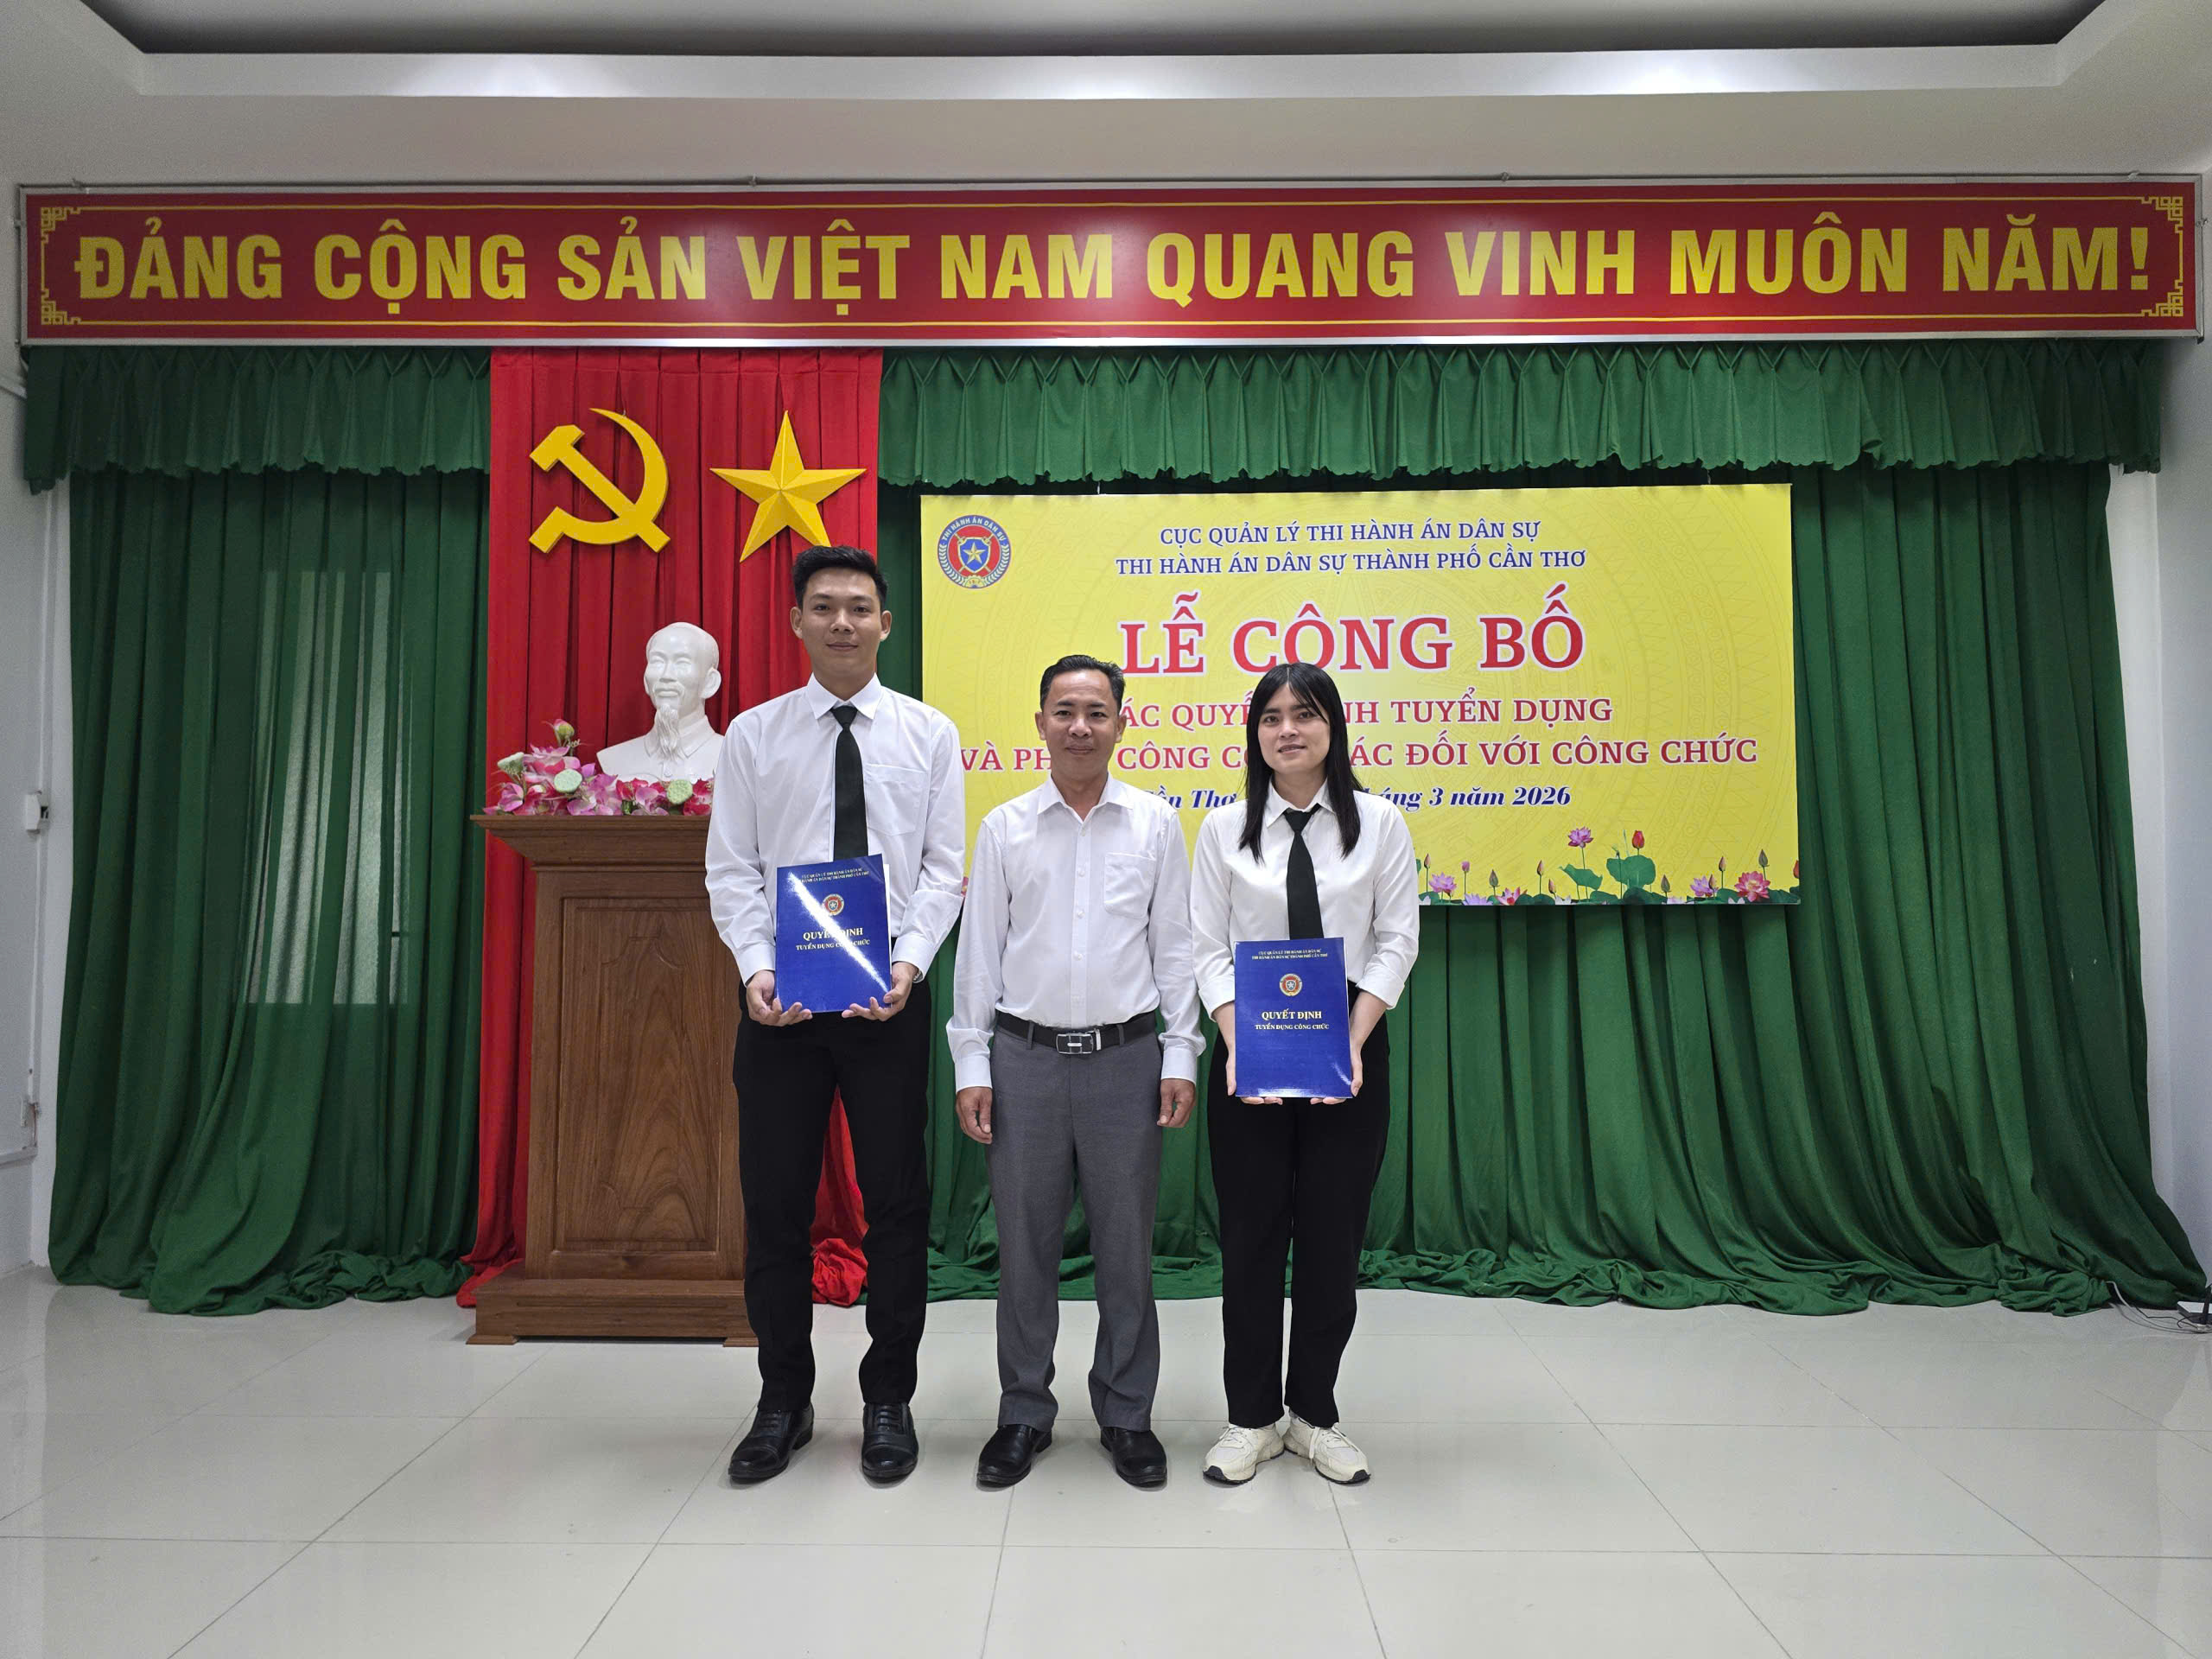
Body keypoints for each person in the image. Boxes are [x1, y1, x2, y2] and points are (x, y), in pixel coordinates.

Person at [705, 544, 965, 1486]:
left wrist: (908, 964)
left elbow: (942, 870)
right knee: (775, 1205)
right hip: (782, 1007)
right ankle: (783, 1400)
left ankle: (889, 1397)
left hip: (885, 1000)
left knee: (896, 1204)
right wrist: (756, 970)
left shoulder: (928, 734)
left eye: (860, 607)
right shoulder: (754, 735)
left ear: (885, 624)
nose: (843, 622)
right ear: (797, 622)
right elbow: (732, 868)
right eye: (824, 606)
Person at [948, 654, 1203, 1490]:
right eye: (1065, 711)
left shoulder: (1156, 824)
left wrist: (1179, 1051)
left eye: (1097, 711)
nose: (1080, 727)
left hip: (1126, 1062)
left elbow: (1175, 950)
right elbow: (980, 955)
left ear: (1121, 723)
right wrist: (972, 1061)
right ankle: (1023, 1411)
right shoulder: (1005, 827)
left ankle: (1127, 1412)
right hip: (1023, 1061)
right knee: (1024, 1249)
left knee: (1126, 1249)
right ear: (1041, 724)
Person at [1189, 660, 1418, 1487]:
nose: (1288, 730)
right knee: (1251, 1236)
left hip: (1349, 1043)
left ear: (1333, 727)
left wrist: (1352, 1040)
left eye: (1306, 714)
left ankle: (1314, 1414)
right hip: (1250, 1042)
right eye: (1272, 717)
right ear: (1255, 734)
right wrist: (1237, 1040)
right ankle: (1251, 1417)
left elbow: (1396, 940)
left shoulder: (1380, 823)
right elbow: (1205, 947)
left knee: (1331, 1235)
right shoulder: (1223, 829)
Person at [594, 620, 724, 781]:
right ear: (645, 680)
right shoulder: (614, 760)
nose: (666, 675)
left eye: (682, 663)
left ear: (710, 683)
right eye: (657, 662)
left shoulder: (730, 757)